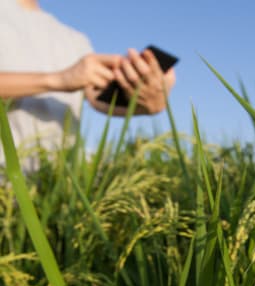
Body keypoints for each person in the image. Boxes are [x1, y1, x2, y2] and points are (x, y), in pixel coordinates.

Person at [0, 0, 176, 170]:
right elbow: (66, 80)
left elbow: (97, 99)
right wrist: (59, 80)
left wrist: (146, 103)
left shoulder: (74, 40)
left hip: (55, 185)